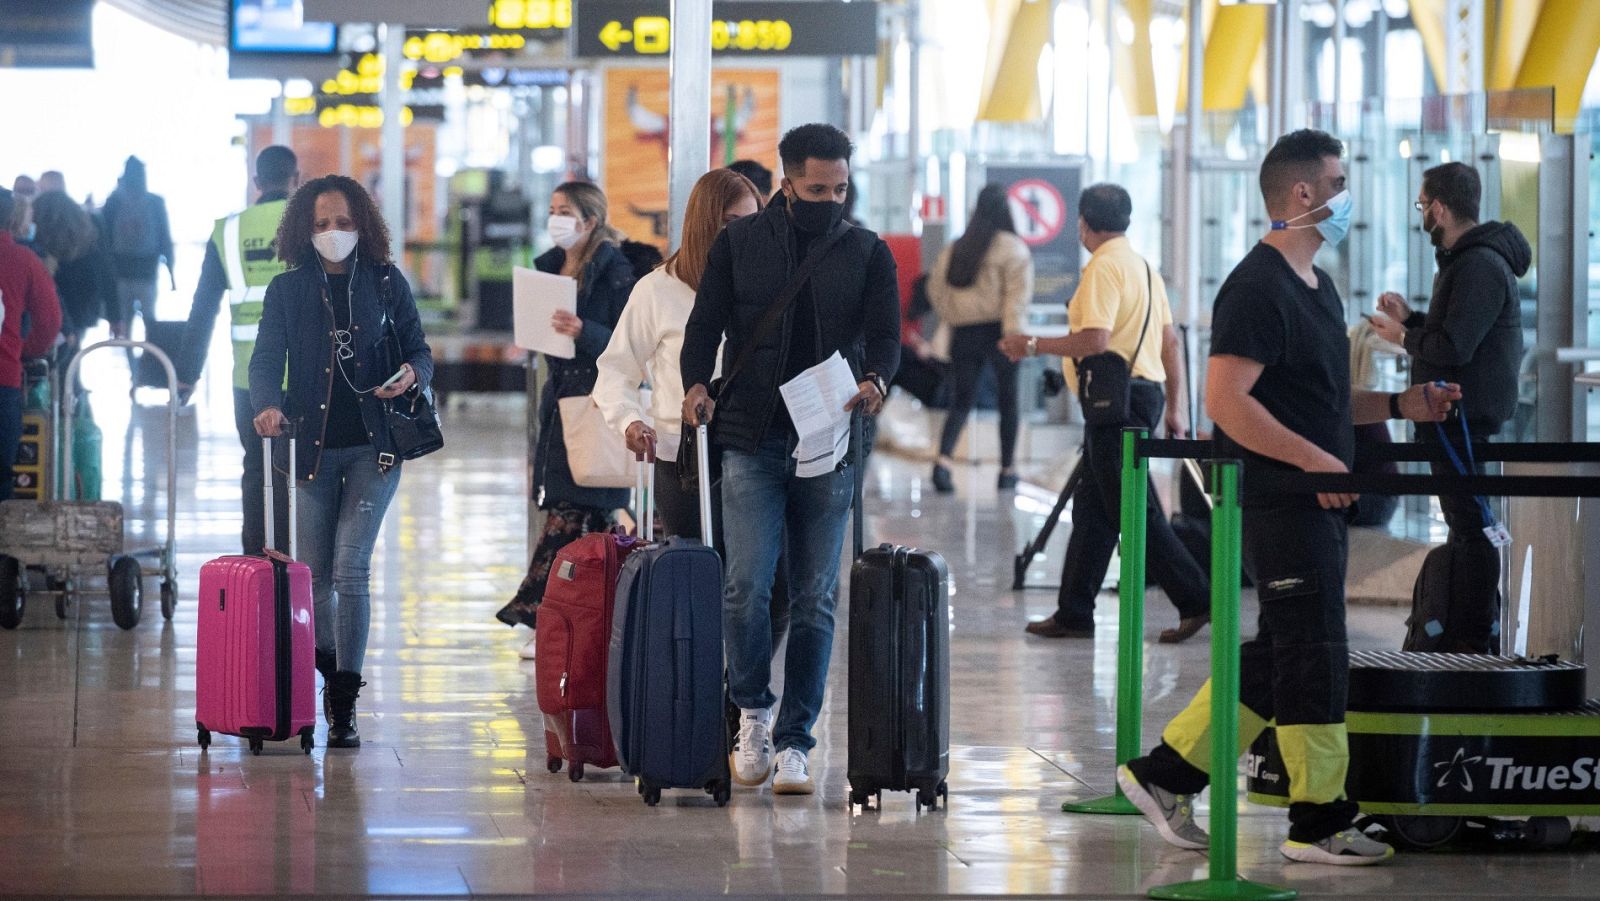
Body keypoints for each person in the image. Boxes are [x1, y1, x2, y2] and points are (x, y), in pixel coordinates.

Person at [1116, 129, 1458, 866]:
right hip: (1281, 501)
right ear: (1303, 194)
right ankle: (1319, 817)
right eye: (1338, 181)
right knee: (1313, 654)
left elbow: (1326, 404)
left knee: (1279, 654)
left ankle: (1164, 774)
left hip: (1315, 499)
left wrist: (1404, 404)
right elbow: (1225, 401)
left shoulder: (1318, 287)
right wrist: (1314, 465)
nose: (1345, 195)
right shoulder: (1256, 286)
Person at [680, 123, 900, 795]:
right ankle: (752, 710)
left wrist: (877, 381)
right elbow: (704, 326)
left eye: (840, 188)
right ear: (786, 182)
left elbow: (887, 336)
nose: (830, 199)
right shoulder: (740, 243)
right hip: (751, 432)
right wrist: (694, 384)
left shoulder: (867, 250)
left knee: (815, 594)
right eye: (816, 188)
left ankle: (798, 738)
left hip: (829, 438)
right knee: (746, 586)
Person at [249, 174, 434, 748]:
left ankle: (344, 698)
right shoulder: (286, 290)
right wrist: (267, 406)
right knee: (317, 579)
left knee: (352, 568)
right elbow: (263, 363)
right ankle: (328, 666)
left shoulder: (385, 282)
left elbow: (419, 350)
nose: (335, 233)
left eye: (345, 223)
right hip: (309, 453)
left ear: (364, 227)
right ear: (306, 230)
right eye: (324, 224)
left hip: (376, 450)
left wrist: (413, 375)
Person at [1001, 183, 1210, 644]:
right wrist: (1175, 407)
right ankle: (1074, 611)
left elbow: (1095, 340)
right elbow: (1170, 344)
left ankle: (1196, 598)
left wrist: (1031, 344)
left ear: (1083, 222)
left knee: (1134, 509)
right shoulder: (1143, 268)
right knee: (1094, 510)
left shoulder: (1103, 268)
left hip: (1118, 405)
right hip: (1142, 397)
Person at [1368, 161, 1529, 653]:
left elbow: (1455, 347)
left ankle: (1471, 635)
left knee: (1472, 528)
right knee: (1467, 524)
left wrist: (1404, 337)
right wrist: (1412, 319)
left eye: (1422, 205)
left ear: (1439, 207)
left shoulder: (1478, 264)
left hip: (1462, 421)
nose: (1422, 215)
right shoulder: (1469, 261)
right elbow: (1456, 333)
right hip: (1452, 418)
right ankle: (1464, 632)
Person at [496, 182, 637, 656]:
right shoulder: (551, 267)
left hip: (596, 404)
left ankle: (548, 613)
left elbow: (628, 340)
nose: (556, 218)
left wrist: (584, 330)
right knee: (576, 510)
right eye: (552, 209)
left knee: (577, 510)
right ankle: (565, 616)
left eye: (566, 211)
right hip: (561, 402)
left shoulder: (617, 272)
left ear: (590, 220)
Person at [176, 145, 299, 556]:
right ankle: (301, 566)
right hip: (307, 375)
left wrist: (187, 371)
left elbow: (203, 307)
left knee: (257, 470)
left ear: (257, 183)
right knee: (305, 472)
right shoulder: (309, 226)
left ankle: (257, 563)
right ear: (295, 181)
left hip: (249, 378)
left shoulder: (228, 232)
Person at [926, 183, 1031, 493]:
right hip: (1001, 332)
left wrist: (955, 315)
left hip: (965, 333)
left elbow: (935, 289)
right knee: (1008, 400)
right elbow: (1017, 298)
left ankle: (942, 464)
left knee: (961, 400)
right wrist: (1013, 336)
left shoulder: (958, 246)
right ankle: (1007, 470)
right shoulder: (1013, 248)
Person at [0, 187, 63, 502]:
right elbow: (50, 319)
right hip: (4, 379)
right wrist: (24, 350)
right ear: (11, 220)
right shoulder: (24, 260)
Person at [30, 190, 116, 354]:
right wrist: (114, 314)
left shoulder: (37, 247)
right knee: (71, 356)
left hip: (47, 309)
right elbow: (106, 271)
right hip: (81, 308)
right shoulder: (86, 236)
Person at [100, 156, 175, 339]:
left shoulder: (113, 203)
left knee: (123, 324)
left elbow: (103, 240)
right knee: (150, 321)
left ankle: (131, 363)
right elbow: (165, 238)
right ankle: (150, 360)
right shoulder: (155, 202)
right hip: (148, 271)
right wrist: (172, 273)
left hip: (120, 272)